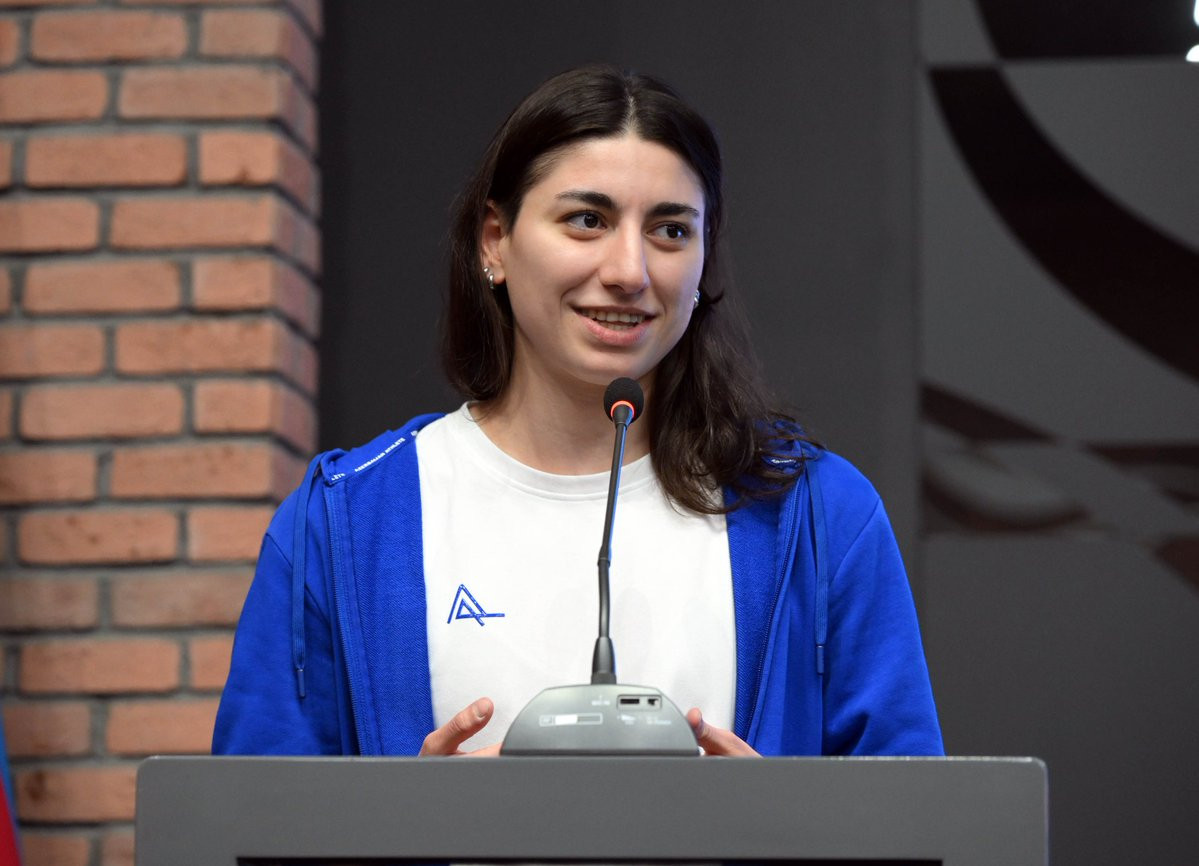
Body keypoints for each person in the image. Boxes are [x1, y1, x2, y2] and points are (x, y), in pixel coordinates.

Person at [212, 65, 942, 758]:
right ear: (494, 243)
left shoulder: (816, 516)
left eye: (670, 230)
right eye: (587, 220)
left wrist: (781, 823)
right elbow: (253, 822)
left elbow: (914, 821)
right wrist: (403, 823)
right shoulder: (345, 521)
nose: (628, 271)